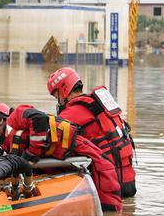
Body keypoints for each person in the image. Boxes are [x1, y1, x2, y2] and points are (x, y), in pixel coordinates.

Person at [0, 101, 122, 212]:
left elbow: (39, 119)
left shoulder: (16, 116)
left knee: (108, 195)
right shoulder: (7, 143)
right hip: (59, 160)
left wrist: (30, 156)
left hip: (78, 147)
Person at [48, 67, 136, 198]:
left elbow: (49, 137)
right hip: (128, 182)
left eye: (57, 97)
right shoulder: (99, 105)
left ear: (63, 90)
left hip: (110, 185)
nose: (58, 102)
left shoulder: (74, 112)